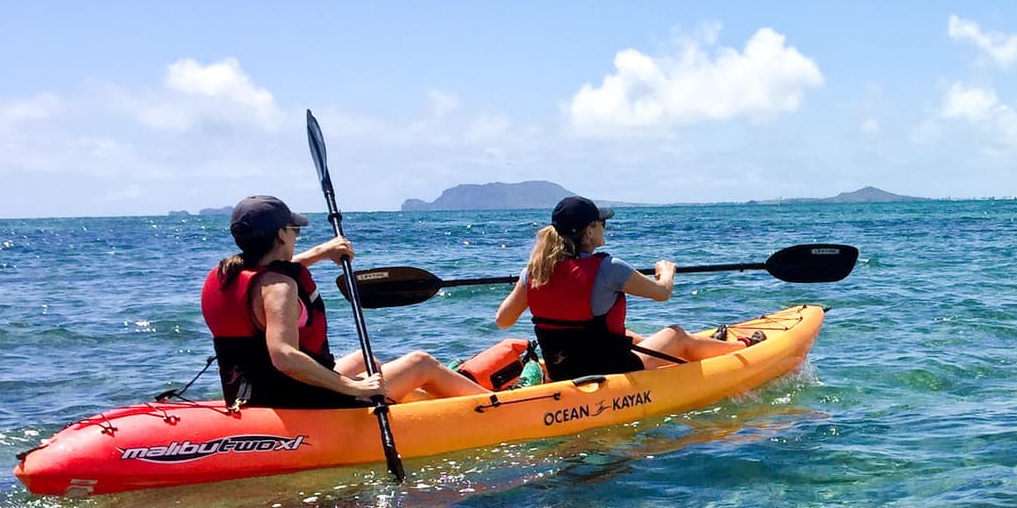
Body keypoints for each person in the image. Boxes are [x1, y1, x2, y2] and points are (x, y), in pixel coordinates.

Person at [201, 195, 482, 409]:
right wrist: (353, 388)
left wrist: (322, 253)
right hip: (295, 400)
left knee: (365, 359)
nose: (297, 237)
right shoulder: (280, 289)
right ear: (280, 235)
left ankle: (425, 409)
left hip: (251, 391)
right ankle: (504, 405)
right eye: (294, 230)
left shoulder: (226, 274)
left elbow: (271, 273)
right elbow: (284, 356)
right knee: (422, 363)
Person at [494, 195, 757, 380]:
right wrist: (666, 273)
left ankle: (708, 344)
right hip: (612, 370)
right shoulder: (610, 268)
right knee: (675, 334)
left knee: (618, 332)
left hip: (563, 370)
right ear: (588, 232)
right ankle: (745, 349)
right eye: (601, 223)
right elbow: (662, 293)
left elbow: (503, 320)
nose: (605, 227)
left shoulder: (534, 272)